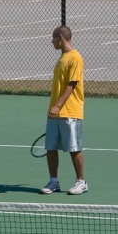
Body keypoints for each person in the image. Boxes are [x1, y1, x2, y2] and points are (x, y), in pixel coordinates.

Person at [41, 25, 87, 195]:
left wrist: (58, 105)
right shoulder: (62, 58)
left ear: (60, 37)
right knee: (51, 148)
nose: (51, 41)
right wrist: (54, 107)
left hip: (70, 111)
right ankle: (54, 182)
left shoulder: (75, 58)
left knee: (74, 148)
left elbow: (72, 84)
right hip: (54, 112)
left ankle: (81, 182)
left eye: (53, 38)